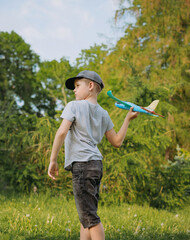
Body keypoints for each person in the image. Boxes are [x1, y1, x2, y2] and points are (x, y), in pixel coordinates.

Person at [48, 70, 139, 240]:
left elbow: (61, 133)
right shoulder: (103, 113)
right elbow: (117, 141)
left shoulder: (73, 106)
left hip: (82, 165)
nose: (74, 90)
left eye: (77, 86)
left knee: (90, 217)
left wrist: (53, 160)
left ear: (90, 86)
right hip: (96, 165)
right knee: (87, 216)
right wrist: (127, 119)